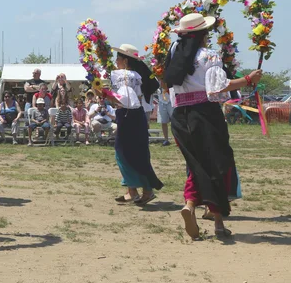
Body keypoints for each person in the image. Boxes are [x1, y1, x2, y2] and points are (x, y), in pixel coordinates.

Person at [164, 13, 262, 239]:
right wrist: (249, 79)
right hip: (205, 115)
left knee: (196, 163)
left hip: (179, 116)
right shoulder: (209, 56)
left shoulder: (173, 53)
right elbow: (218, 88)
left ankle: (189, 205)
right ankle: (218, 223)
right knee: (218, 165)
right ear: (202, 35)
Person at [111, 43, 162, 206]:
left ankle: (140, 189)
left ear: (125, 60)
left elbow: (118, 97)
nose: (116, 61)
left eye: (118, 58)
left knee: (123, 151)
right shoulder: (138, 75)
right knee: (137, 151)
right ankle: (133, 189)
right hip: (136, 115)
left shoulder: (122, 75)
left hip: (128, 115)